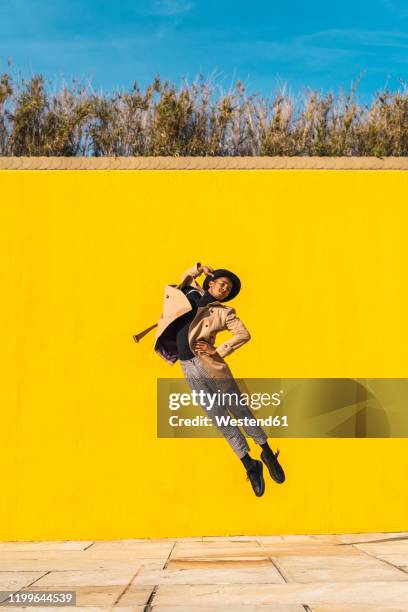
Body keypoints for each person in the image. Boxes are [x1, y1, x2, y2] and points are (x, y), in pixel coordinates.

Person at [151, 262, 285, 497]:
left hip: (211, 366)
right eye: (223, 284)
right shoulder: (190, 295)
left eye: (228, 288)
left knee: (240, 411)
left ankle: (265, 452)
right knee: (220, 419)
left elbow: (243, 334)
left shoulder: (224, 312)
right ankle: (249, 465)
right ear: (211, 283)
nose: (225, 289)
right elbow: (181, 281)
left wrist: (218, 351)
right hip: (188, 368)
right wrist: (197, 267)